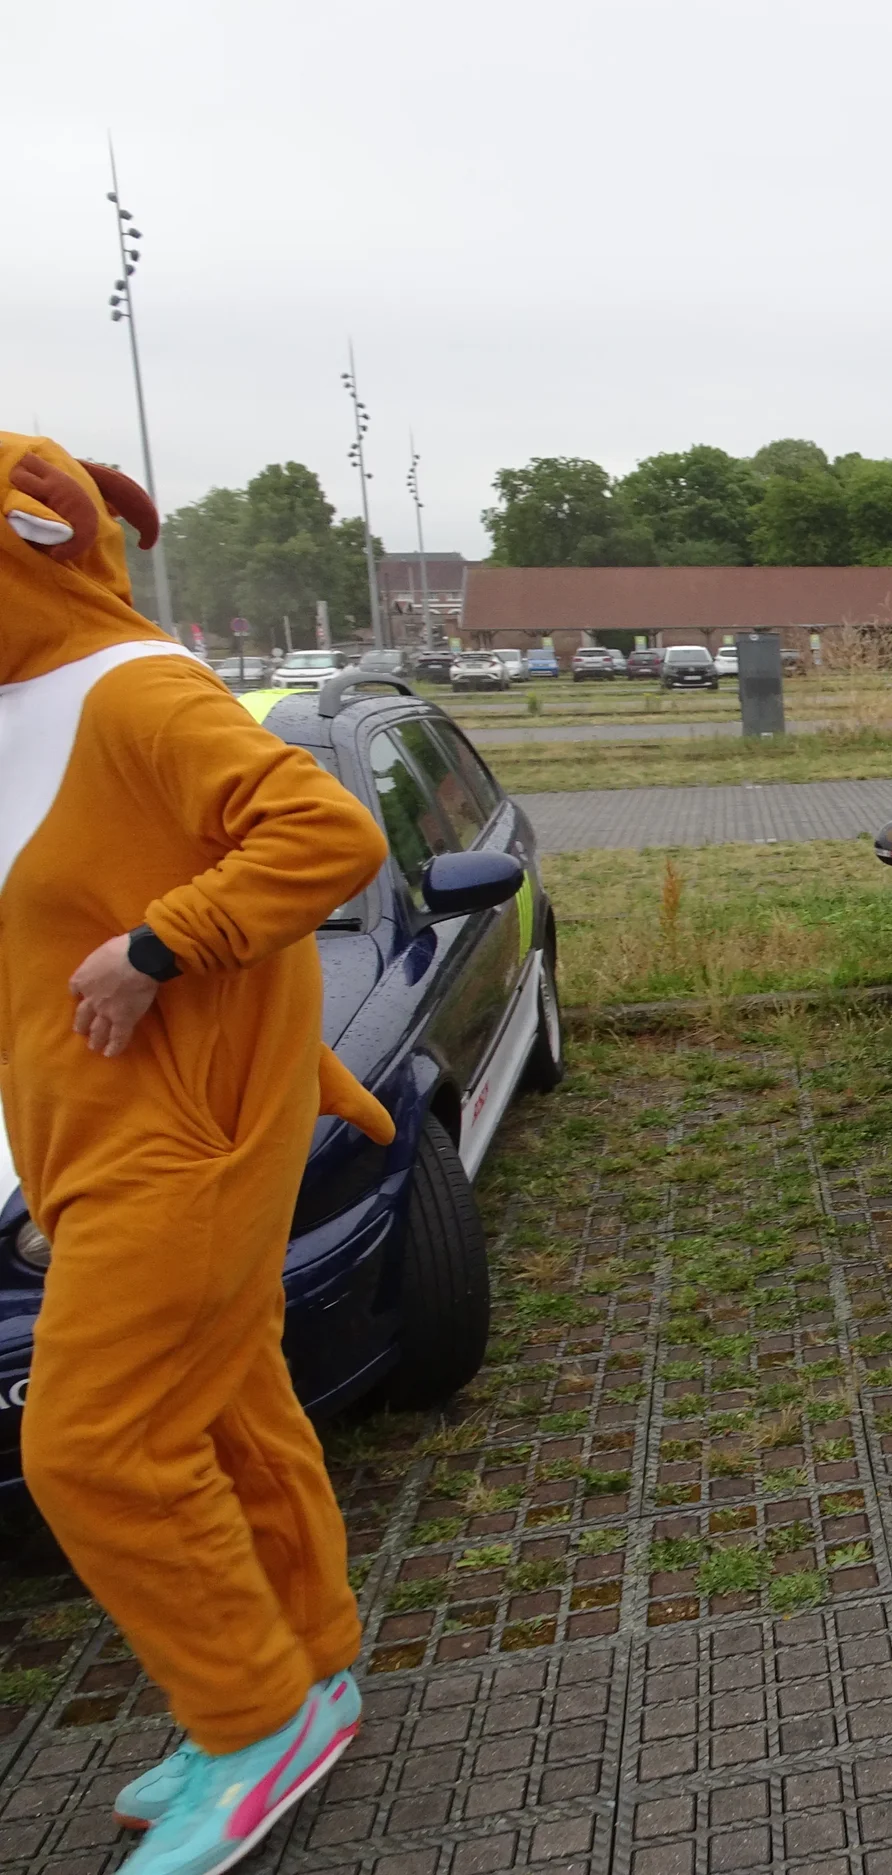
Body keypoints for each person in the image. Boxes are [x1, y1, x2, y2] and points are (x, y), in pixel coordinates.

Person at [0, 435, 393, 1875]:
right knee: (225, 1406)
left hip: (172, 1152)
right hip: (96, 1141)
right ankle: (310, 1667)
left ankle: (249, 1715)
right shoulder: (25, 709)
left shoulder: (132, 689)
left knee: (90, 1445)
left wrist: (161, 947)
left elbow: (323, 831)